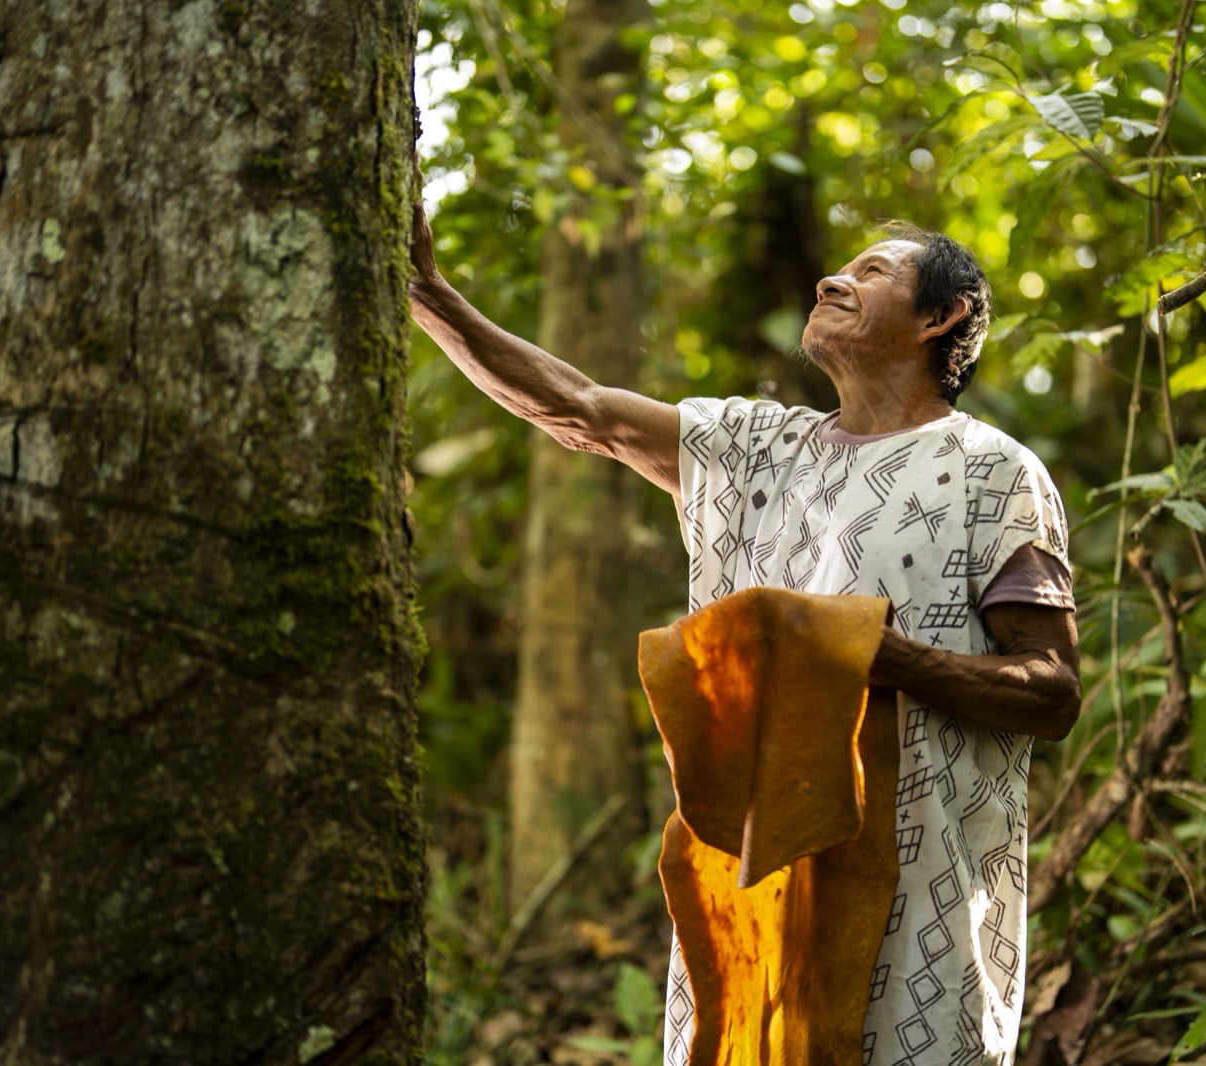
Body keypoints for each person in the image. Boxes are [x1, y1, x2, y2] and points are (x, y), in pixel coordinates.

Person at [408, 204, 1081, 1066]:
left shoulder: (995, 470)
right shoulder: (758, 446)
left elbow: (1053, 690)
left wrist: (894, 662)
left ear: (940, 317)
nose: (832, 279)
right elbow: (582, 411)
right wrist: (429, 297)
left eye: (873, 271)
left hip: (919, 893)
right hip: (756, 873)